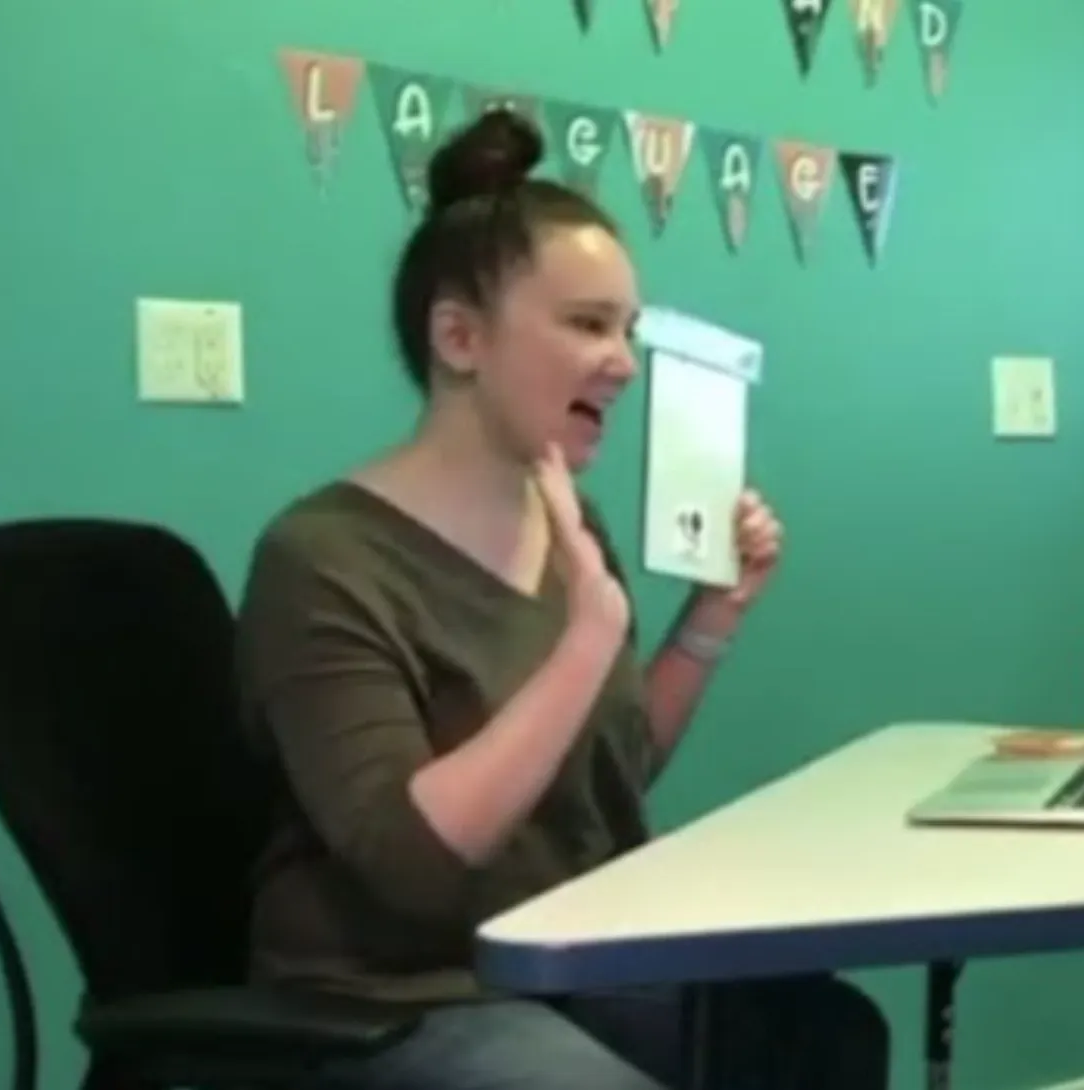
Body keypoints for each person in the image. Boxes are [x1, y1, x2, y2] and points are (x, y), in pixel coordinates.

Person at [233, 108, 890, 1090]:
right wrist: (588, 637)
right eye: (587, 324)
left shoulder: (569, 530)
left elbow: (613, 773)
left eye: (625, 327)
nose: (624, 360)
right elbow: (409, 868)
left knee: (818, 1032)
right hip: (392, 1000)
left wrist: (711, 615)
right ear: (459, 337)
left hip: (565, 960)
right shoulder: (322, 558)